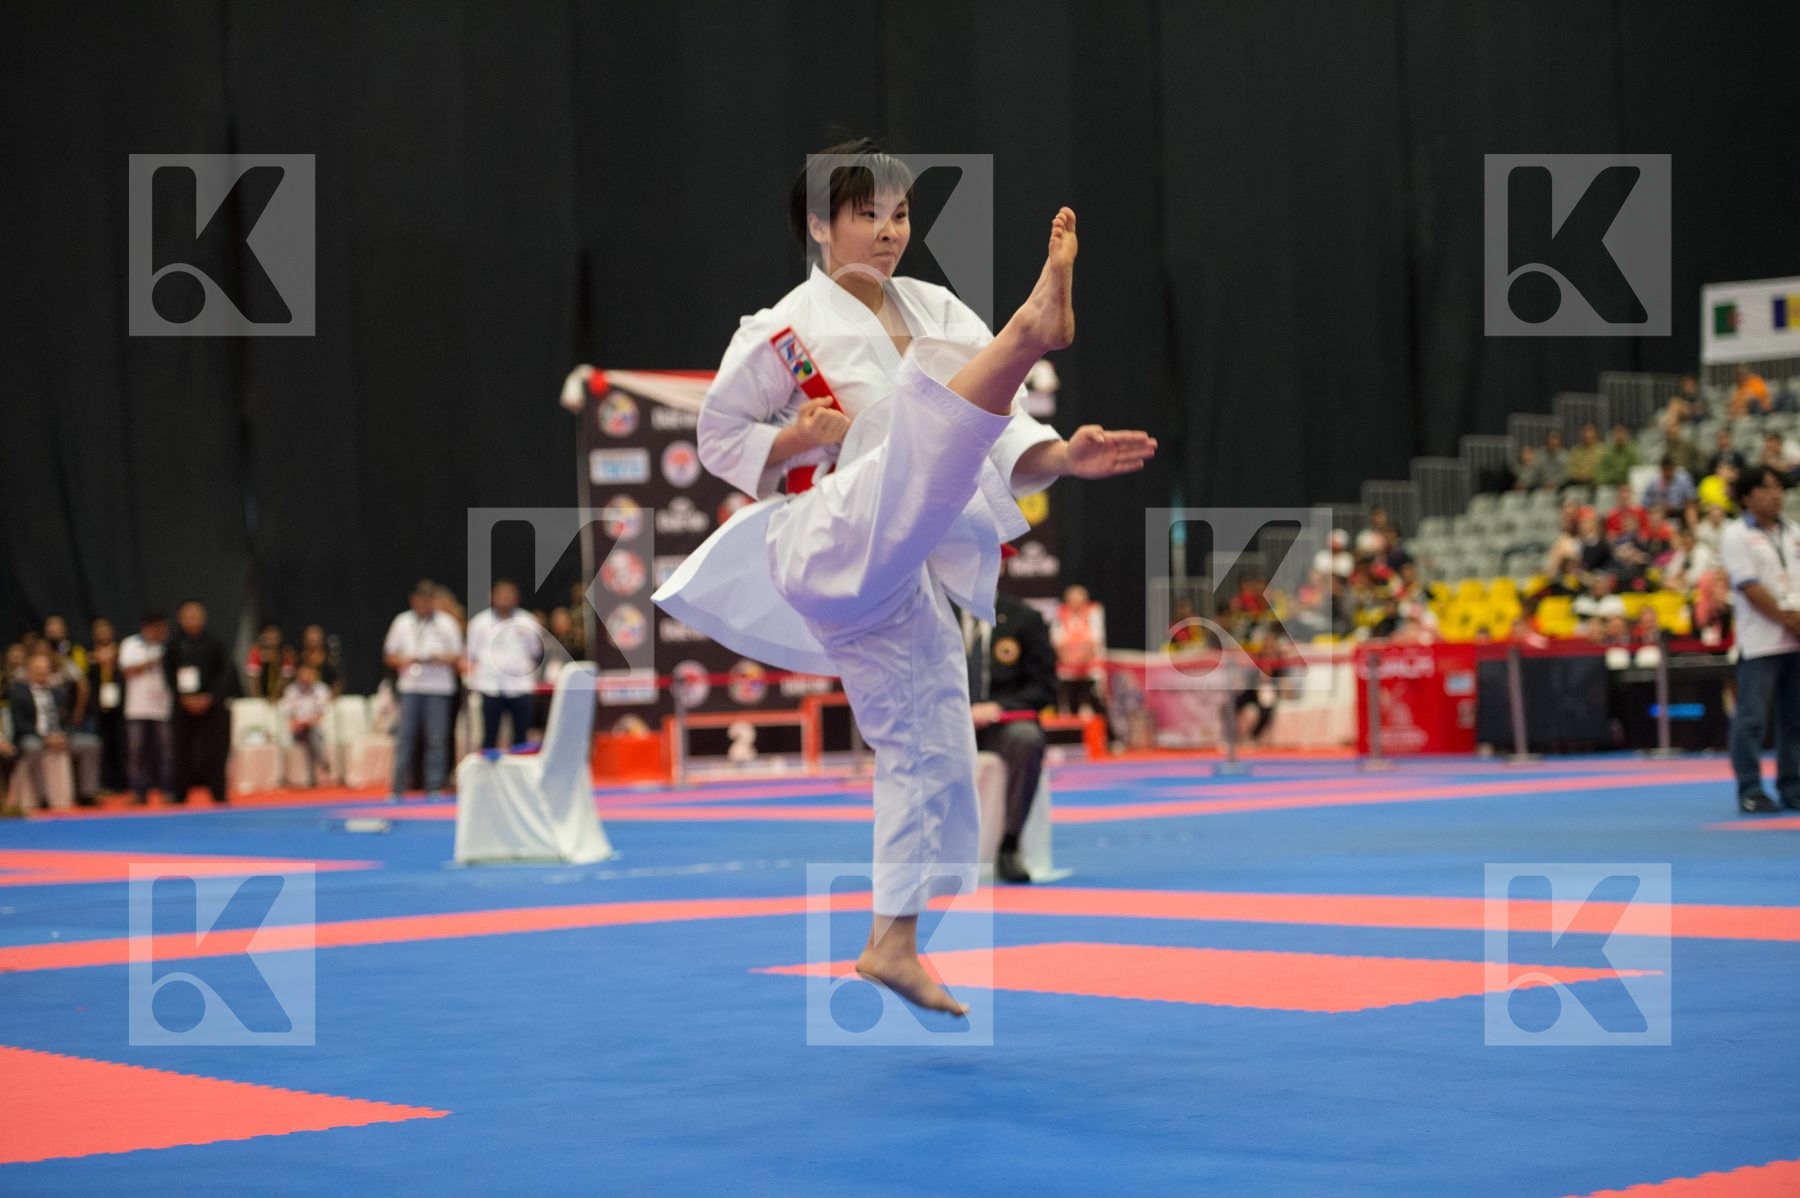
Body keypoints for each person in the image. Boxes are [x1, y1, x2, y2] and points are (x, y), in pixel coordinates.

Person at [653, 140, 1154, 1016]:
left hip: (900, 564)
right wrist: (796, 441)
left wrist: (1060, 457)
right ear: (818, 224)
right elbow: (722, 439)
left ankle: (893, 940)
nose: (888, 234)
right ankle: (1032, 331)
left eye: (900, 216)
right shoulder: (780, 329)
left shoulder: (935, 309)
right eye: (865, 216)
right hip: (823, 535)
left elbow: (994, 435)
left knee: (935, 748)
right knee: (923, 437)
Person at [962, 588, 1058, 883]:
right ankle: (925, 851)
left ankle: (1010, 844)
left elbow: (1044, 687)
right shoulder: (934, 613)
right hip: (949, 721)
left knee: (1026, 739)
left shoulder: (1024, 619)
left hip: (1001, 723)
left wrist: (997, 707)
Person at [1721, 465, 1800, 814]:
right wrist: (1787, 618)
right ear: (1747, 496)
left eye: (1779, 488)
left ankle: (1793, 786)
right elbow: (1749, 586)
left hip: (1796, 639)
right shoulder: (1735, 534)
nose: (1777, 494)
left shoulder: (1794, 532)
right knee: (1752, 719)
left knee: (1795, 720)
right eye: (1767, 488)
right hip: (1761, 640)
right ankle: (1750, 788)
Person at [383, 580, 464, 801]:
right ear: (414, 600)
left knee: (437, 738)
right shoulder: (402, 622)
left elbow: (458, 656)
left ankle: (434, 786)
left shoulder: (447, 623)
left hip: (439, 688)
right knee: (406, 736)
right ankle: (398, 787)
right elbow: (389, 655)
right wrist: (405, 660)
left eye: (429, 600)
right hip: (410, 686)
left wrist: (439, 658)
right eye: (421, 599)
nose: (425, 604)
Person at [8, 648, 102, 808]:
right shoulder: (18, 692)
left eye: (46, 671)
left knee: (91, 744)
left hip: (59, 736)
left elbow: (67, 720)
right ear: (29, 672)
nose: (42, 674)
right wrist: (45, 738)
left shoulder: (58, 691)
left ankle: (87, 793)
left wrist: (63, 735)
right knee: (32, 748)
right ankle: (42, 796)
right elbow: (20, 723)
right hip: (33, 736)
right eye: (38, 671)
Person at [165, 600, 234, 805]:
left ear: (203, 618)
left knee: (215, 749)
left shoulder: (215, 642)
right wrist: (182, 697)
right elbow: (167, 673)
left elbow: (225, 672)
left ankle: (218, 790)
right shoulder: (174, 644)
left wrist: (210, 696)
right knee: (180, 749)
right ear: (181, 619)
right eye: (188, 617)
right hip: (183, 703)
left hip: (212, 703)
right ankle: (179, 791)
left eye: (196, 616)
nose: (192, 621)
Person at [465, 579, 544, 750]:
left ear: (517, 598)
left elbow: (536, 652)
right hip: (490, 686)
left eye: (510, 595)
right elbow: (472, 654)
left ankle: (518, 775)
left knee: (521, 736)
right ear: (492, 597)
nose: (505, 598)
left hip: (520, 686)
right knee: (489, 735)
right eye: (501, 595)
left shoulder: (528, 621)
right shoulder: (479, 623)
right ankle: (488, 775)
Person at [120, 612, 174, 805]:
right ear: (149, 628)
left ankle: (167, 790)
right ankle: (138, 791)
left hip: (162, 706)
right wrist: (152, 660)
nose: (163, 633)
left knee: (166, 752)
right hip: (137, 707)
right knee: (136, 752)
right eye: (160, 629)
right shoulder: (130, 644)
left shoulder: (168, 646)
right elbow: (127, 670)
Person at [1050, 584, 1107, 716]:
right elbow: (1057, 642)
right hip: (1068, 670)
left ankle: (1104, 734)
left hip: (1090, 669)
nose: (1076, 604)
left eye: (1080, 600)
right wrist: (1070, 661)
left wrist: (1079, 660)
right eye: (1072, 600)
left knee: (1097, 705)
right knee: (1070, 704)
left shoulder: (1094, 612)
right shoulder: (1060, 614)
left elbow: (1095, 640)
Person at [279, 662, 334, 787]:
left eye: (308, 675)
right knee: (311, 735)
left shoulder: (321, 689)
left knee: (313, 733)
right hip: (297, 729)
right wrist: (297, 724)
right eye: (302, 675)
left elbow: (323, 713)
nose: (305, 678)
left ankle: (311, 778)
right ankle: (322, 761)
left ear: (313, 675)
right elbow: (289, 714)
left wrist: (309, 722)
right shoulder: (291, 690)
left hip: (314, 727)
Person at [1594, 424, 1640, 488]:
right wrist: (1609, 478)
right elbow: (1601, 471)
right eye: (1616, 434)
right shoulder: (1608, 452)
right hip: (1611, 484)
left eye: (1621, 433)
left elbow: (1637, 469)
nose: (1619, 436)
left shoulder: (1633, 449)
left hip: (1628, 484)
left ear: (1626, 435)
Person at [1565, 422, 1603, 488]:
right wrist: (1579, 476)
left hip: (1595, 485)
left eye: (1590, 431)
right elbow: (1570, 469)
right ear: (1581, 434)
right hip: (1576, 484)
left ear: (1596, 433)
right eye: (1585, 431)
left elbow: (1603, 469)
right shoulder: (1575, 450)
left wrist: (1590, 476)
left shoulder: (1602, 450)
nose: (1587, 434)